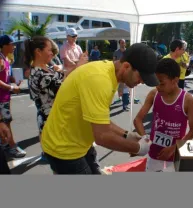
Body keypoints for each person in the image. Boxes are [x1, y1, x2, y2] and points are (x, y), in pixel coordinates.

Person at [41, 43, 159, 174]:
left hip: (79, 143)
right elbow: (102, 136)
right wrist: (139, 148)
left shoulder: (109, 72)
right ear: (126, 66)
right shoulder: (100, 81)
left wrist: (127, 135)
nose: (141, 82)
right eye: (141, 77)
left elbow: (101, 121)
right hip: (63, 149)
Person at [26, 36, 88, 160]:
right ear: (38, 51)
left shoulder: (46, 69)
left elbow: (63, 74)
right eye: (49, 50)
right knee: (62, 161)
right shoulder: (39, 74)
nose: (52, 53)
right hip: (52, 123)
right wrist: (78, 66)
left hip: (54, 119)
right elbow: (63, 87)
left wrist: (76, 65)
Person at [134, 58, 193, 172]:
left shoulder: (188, 100)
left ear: (175, 80)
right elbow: (138, 120)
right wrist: (145, 139)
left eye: (162, 84)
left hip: (174, 154)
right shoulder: (154, 94)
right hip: (154, 152)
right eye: (156, 83)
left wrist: (174, 148)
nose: (158, 87)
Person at [0, 34, 26, 158]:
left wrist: (12, 79)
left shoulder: (5, 59)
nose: (14, 46)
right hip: (1, 99)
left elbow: (4, 76)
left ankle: (5, 145)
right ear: (4, 45)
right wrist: (11, 87)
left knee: (5, 123)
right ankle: (11, 148)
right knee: (6, 123)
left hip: (4, 98)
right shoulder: (0, 59)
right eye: (12, 44)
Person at [112, 39, 139, 104]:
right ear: (119, 44)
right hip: (119, 71)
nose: (123, 44)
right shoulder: (116, 52)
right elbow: (114, 61)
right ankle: (119, 98)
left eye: (124, 43)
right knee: (120, 85)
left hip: (128, 71)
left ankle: (131, 97)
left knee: (129, 84)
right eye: (121, 43)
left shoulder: (128, 51)